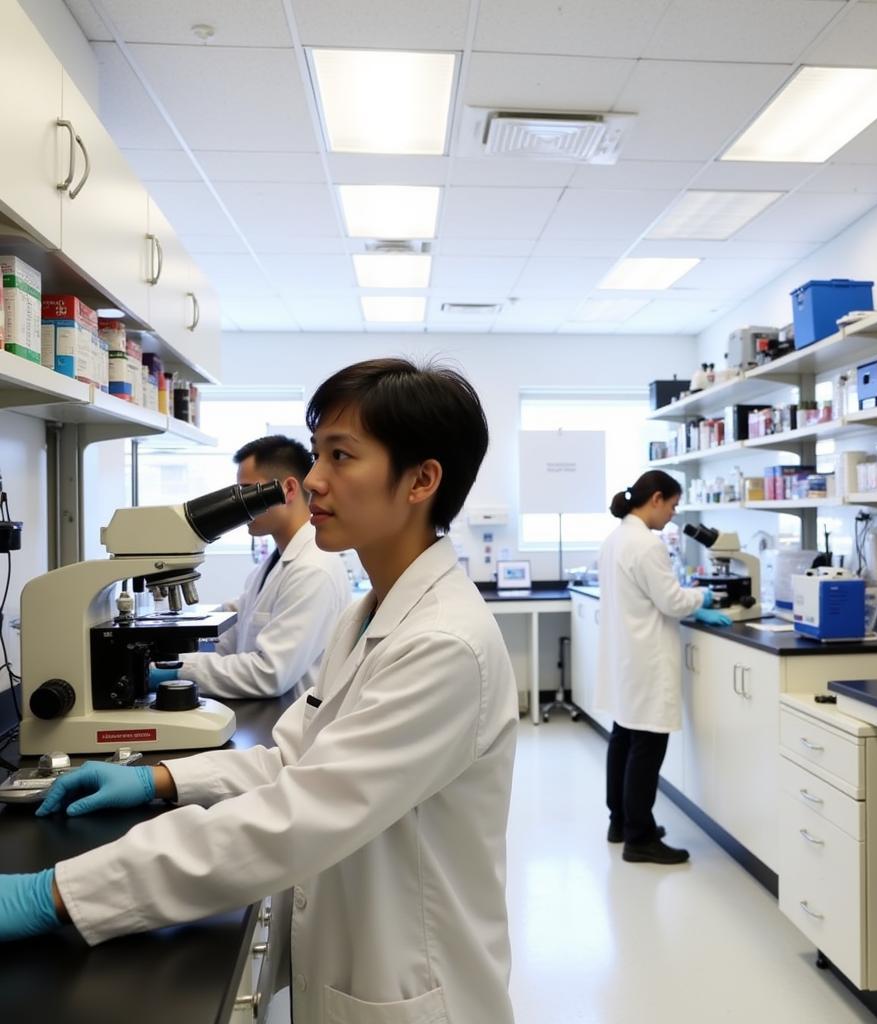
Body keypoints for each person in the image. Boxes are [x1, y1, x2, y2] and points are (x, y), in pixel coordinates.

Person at [0, 358, 519, 1024]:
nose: (314, 481)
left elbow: (292, 816)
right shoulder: (370, 616)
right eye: (317, 453)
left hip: (413, 992)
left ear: (421, 479)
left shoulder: (445, 646)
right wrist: (158, 780)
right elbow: (290, 759)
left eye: (341, 456)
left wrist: (61, 891)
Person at [596, 470, 732, 866]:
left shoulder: (616, 538)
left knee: (623, 737)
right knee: (647, 747)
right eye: (672, 506)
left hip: (626, 656)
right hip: (646, 658)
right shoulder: (645, 545)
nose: (672, 515)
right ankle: (640, 838)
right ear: (655, 498)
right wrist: (702, 596)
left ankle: (620, 821)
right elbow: (671, 601)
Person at [150, 435, 351, 699]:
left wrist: (176, 670)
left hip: (288, 723)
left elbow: (270, 673)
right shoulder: (273, 565)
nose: (237, 504)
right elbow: (231, 636)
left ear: (287, 490)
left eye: (246, 491)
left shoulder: (313, 570)